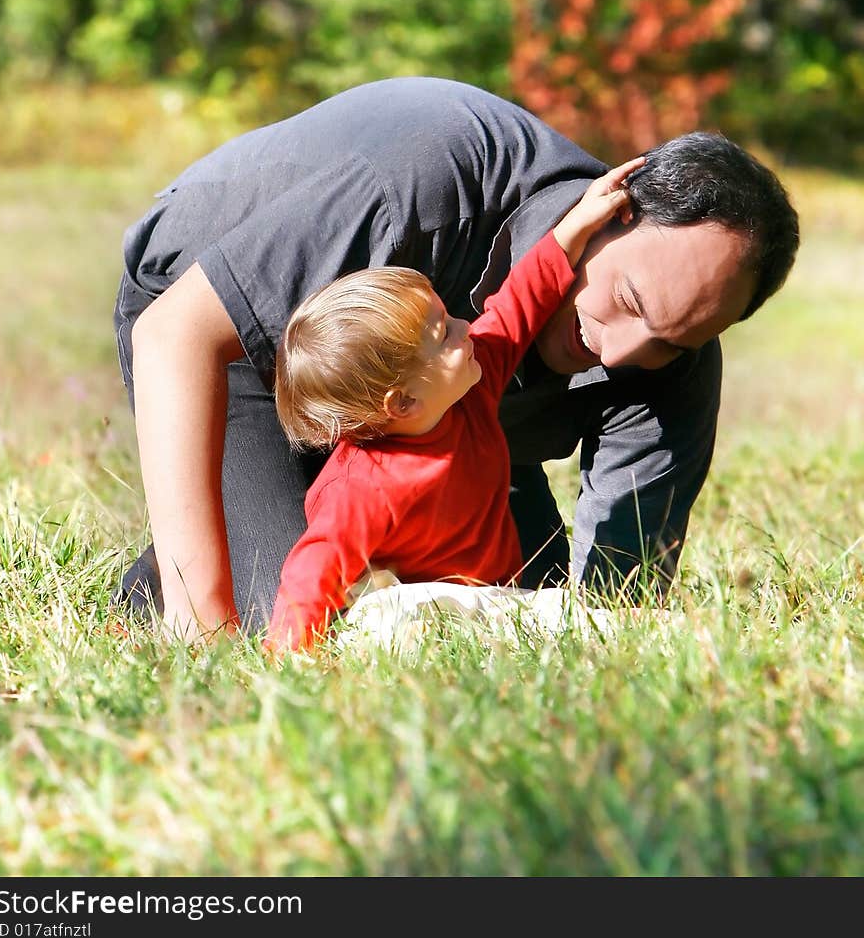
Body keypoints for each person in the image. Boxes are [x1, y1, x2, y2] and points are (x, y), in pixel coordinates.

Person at [114, 76, 799, 639]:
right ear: (614, 208)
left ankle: (269, 517)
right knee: (312, 625)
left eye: (673, 340)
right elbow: (173, 335)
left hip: (438, 424)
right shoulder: (420, 182)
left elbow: (614, 606)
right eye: (631, 300)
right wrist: (201, 622)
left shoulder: (673, 356)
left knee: (521, 615)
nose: (619, 353)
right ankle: (183, 564)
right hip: (233, 343)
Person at [267, 160, 643, 653]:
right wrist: (290, 661)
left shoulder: (465, 391)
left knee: (555, 613)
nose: (468, 328)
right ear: (401, 401)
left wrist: (575, 227)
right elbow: (313, 573)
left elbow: (516, 305)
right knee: (387, 618)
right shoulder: (362, 488)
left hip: (497, 600)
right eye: (444, 333)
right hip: (431, 618)